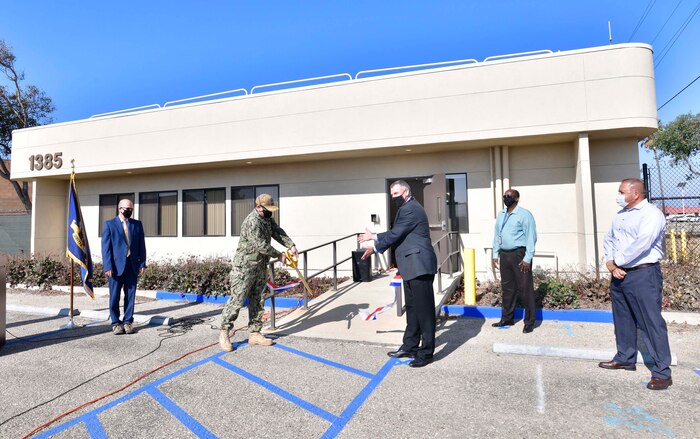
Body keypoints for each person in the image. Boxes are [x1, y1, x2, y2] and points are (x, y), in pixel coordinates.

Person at [599, 178, 672, 390]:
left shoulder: (651, 214)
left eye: (621, 192)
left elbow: (643, 242)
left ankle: (662, 372)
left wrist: (619, 262)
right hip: (619, 274)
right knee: (622, 320)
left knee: (651, 323)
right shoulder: (621, 216)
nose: (618, 195)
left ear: (635, 194)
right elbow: (609, 239)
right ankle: (625, 358)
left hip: (642, 274)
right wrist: (612, 265)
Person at [359, 180, 438, 368]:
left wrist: (375, 247)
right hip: (411, 266)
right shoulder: (408, 209)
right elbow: (397, 231)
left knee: (424, 311)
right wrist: (374, 236)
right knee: (412, 308)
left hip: (419, 265)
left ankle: (426, 352)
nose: (392, 197)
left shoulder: (410, 208)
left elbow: (396, 234)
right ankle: (410, 345)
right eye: (391, 194)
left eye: (395, 194)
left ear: (405, 192)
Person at [219, 194, 298, 352]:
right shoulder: (252, 221)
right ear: (258, 207)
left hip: (260, 266)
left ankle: (254, 333)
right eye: (267, 209)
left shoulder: (266, 219)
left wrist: (291, 245)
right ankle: (224, 332)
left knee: (258, 300)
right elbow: (261, 245)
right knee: (237, 301)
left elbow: (277, 232)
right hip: (244, 268)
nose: (270, 213)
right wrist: (279, 254)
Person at [491, 188, 537, 333]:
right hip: (505, 255)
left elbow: (531, 237)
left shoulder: (524, 214)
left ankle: (529, 322)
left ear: (517, 199)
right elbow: (497, 235)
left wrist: (527, 258)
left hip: (519, 255)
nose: (506, 198)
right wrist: (495, 254)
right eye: (505, 196)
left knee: (525, 288)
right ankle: (507, 318)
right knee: (507, 288)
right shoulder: (501, 214)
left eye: (509, 196)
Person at [101, 199, 147, 335]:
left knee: (130, 296)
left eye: (131, 208)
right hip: (115, 268)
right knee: (114, 297)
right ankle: (116, 323)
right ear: (119, 209)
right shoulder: (109, 225)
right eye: (126, 208)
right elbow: (106, 248)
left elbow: (141, 246)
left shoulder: (137, 225)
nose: (129, 210)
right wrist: (107, 266)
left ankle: (128, 322)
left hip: (132, 266)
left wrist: (142, 263)